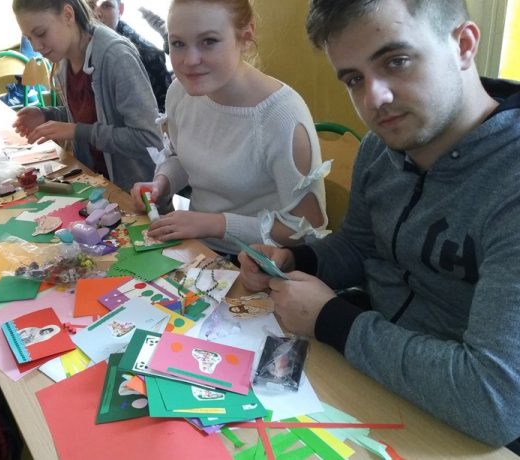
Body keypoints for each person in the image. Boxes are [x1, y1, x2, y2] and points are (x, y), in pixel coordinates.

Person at [239, 0, 520, 449]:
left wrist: (331, 319)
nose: (375, 99)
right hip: (370, 377)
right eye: (354, 79)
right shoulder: (381, 149)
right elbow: (360, 246)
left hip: (465, 430)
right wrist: (297, 259)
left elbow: (495, 400)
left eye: (397, 61)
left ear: (464, 45)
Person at [130, 0, 327, 257]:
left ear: (245, 37)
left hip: (259, 264)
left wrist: (215, 224)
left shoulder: (280, 116)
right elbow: (182, 158)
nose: (190, 60)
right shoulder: (180, 92)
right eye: (178, 43)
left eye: (209, 41)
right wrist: (161, 183)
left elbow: (307, 229)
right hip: (196, 249)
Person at [11, 0, 162, 192]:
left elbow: (148, 138)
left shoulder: (116, 57)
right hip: (96, 185)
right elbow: (92, 114)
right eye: (29, 38)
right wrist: (47, 115)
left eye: (41, 33)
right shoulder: (64, 58)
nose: (36, 47)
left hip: (134, 194)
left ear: (68, 15)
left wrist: (78, 131)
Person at [91, 0, 172, 111]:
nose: (96, 13)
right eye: (90, 6)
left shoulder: (147, 56)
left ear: (120, 10)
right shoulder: (78, 48)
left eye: (106, 6)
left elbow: (162, 112)